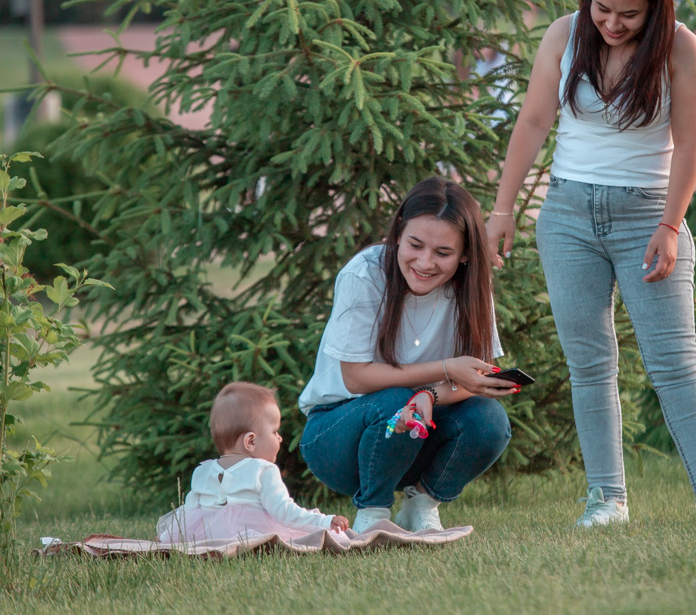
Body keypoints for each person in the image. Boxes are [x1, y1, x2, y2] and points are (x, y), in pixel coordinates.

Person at [485, 0, 696, 530]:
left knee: (675, 364)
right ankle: (606, 501)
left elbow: (691, 145)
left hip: (647, 216)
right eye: (601, 8)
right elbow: (533, 120)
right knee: (589, 364)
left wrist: (669, 225)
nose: (610, 23)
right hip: (567, 217)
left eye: (628, 13)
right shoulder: (564, 35)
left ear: (655, 6)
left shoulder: (681, 48)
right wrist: (502, 210)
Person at [298, 177, 518, 533]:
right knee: (398, 400)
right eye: (415, 245)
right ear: (399, 231)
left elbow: (475, 378)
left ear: (465, 254)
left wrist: (429, 394)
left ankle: (421, 505)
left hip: (415, 435)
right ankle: (372, 513)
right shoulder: (364, 274)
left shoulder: (473, 287)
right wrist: (443, 370)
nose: (424, 262)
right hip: (337, 437)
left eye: (443, 253)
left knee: (489, 420)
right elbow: (355, 377)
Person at [157, 382, 350, 543]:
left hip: (208, 536)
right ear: (250, 441)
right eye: (274, 431)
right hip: (250, 535)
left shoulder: (202, 470)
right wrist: (324, 521)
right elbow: (284, 512)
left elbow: (187, 514)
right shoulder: (263, 470)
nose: (280, 438)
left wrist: (166, 538)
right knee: (296, 537)